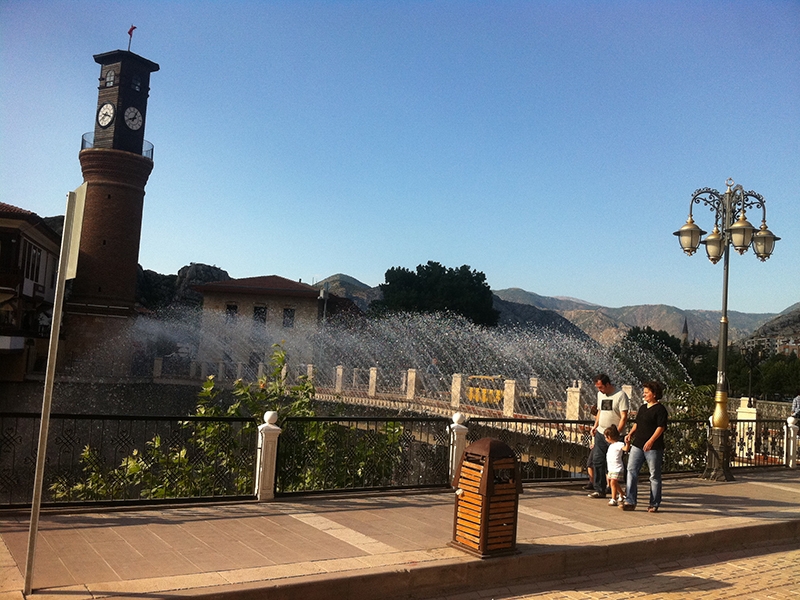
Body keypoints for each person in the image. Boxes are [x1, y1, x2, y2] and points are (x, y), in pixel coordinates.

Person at [622, 380, 668, 512]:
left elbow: (661, 427)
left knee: (654, 475)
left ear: (654, 394)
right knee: (631, 470)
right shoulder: (643, 408)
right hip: (638, 444)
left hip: (653, 447)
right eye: (644, 392)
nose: (644, 395)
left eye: (647, 392)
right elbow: (637, 423)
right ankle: (630, 500)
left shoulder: (660, 409)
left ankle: (654, 503)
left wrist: (651, 440)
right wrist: (630, 434)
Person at [588, 374, 630, 499]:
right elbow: (600, 411)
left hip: (615, 436)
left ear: (608, 384)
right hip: (601, 433)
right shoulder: (600, 395)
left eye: (601, 387)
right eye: (597, 387)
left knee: (615, 462)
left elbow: (624, 416)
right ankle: (599, 489)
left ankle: (621, 488)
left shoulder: (620, 395)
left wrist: (616, 433)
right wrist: (595, 426)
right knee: (597, 460)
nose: (599, 390)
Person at [604, 425, 626, 506]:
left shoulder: (619, 444)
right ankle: (622, 493)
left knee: (613, 482)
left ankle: (613, 499)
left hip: (617, 468)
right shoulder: (611, 445)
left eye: (606, 437)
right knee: (612, 483)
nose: (605, 439)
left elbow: (625, 449)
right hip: (611, 468)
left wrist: (627, 443)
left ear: (609, 437)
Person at [584, 405, 599, 490]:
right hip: (596, 445)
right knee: (591, 463)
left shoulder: (600, 423)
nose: (594, 417)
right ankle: (592, 482)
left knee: (590, 463)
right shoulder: (597, 423)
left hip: (598, 445)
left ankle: (592, 482)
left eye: (595, 415)